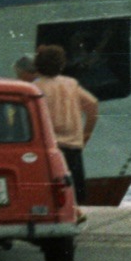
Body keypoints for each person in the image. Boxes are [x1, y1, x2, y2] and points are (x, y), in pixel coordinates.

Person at [34, 44, 99, 211]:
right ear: (62, 65)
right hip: (73, 145)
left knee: (51, 189)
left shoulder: (37, 87)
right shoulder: (71, 84)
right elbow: (92, 105)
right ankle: (75, 211)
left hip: (49, 147)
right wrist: (86, 134)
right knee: (75, 188)